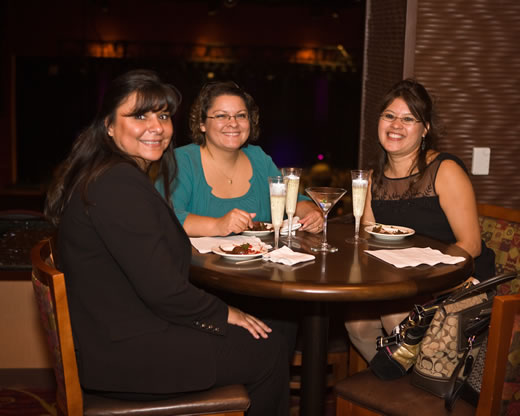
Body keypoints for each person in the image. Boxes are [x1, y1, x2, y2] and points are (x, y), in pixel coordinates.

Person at [44, 69, 289, 416]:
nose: (156, 127)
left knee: (267, 331)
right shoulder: (116, 184)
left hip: (117, 335)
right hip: (126, 356)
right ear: (109, 125)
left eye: (162, 116)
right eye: (139, 116)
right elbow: (164, 290)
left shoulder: (108, 173)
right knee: (271, 347)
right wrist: (225, 313)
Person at [344, 78, 495, 362]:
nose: (396, 125)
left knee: (397, 316)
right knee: (357, 322)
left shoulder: (444, 170)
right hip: (402, 281)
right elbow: (368, 240)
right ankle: (400, 382)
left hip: (458, 279)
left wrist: (420, 275)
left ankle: (423, 383)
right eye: (389, 115)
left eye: (408, 119)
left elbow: (472, 245)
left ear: (425, 129)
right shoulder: (372, 180)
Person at [158, 81, 323, 237]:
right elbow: (163, 217)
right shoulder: (181, 161)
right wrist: (218, 225)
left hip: (261, 257)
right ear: (202, 123)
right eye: (221, 116)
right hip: (193, 259)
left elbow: (292, 201)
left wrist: (312, 213)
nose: (233, 123)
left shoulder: (259, 159)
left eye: (241, 115)